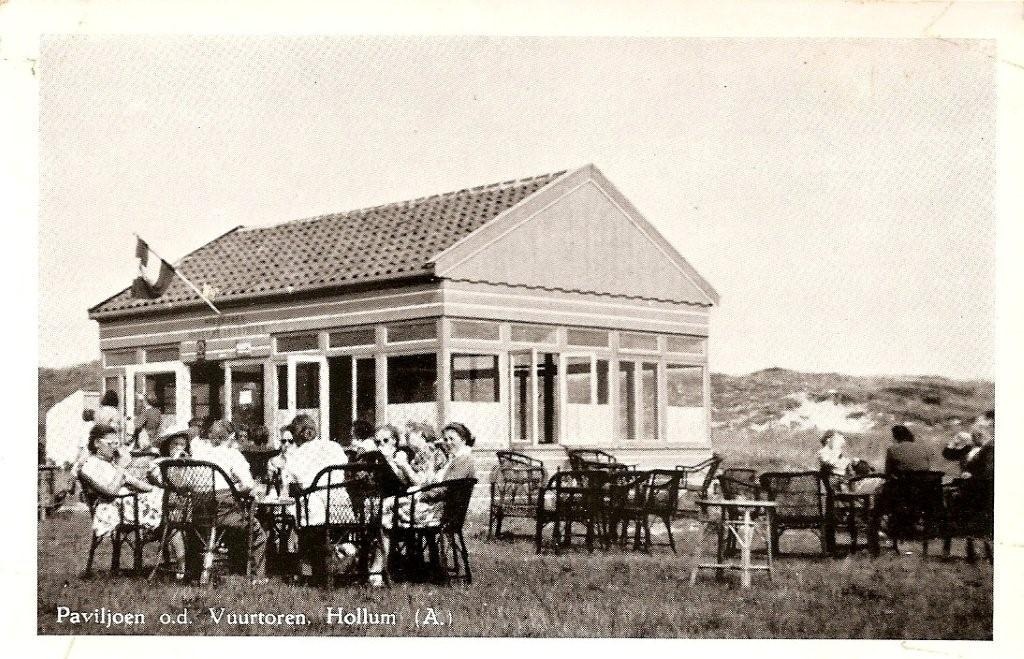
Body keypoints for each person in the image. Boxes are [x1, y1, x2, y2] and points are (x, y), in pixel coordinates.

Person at [281, 414, 352, 582]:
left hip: (316, 513)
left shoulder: (296, 455)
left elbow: (291, 486)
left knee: (297, 513)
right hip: (341, 507)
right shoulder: (334, 446)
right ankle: (340, 551)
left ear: (297, 436)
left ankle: (307, 572)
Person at [200, 419, 268, 581]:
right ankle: (257, 577)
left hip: (200, 512)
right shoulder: (232, 455)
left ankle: (227, 569)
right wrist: (237, 488)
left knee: (234, 527)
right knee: (258, 533)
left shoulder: (200, 454)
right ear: (230, 437)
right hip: (224, 512)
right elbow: (247, 484)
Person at [77, 424, 163, 544]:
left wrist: (159, 490)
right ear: (97, 443)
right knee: (170, 514)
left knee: (168, 499)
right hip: (113, 509)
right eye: (110, 443)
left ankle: (178, 555)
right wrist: (121, 468)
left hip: (128, 503)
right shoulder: (90, 465)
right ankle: (162, 534)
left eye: (116, 443)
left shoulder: (111, 465)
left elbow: (137, 483)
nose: (114, 448)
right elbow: (110, 492)